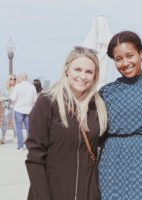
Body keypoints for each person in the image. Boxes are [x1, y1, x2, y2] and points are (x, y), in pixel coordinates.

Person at [25, 46, 107, 200]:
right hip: (51, 192)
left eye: (89, 72)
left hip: (88, 193)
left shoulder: (98, 107)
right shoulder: (47, 102)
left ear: (95, 76)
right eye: (77, 69)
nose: (82, 76)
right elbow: (35, 157)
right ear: (67, 70)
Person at [98, 31, 142, 199]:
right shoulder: (106, 92)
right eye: (118, 59)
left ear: (141, 54)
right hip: (112, 165)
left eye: (129, 55)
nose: (125, 63)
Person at [10, 73, 37, 151]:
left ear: (21, 78)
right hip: (29, 110)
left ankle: (20, 146)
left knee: (19, 128)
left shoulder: (17, 86)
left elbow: (13, 98)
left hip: (18, 109)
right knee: (29, 129)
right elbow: (35, 100)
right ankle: (30, 146)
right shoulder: (32, 87)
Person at [0, 74, 17, 144]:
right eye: (11, 78)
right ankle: (3, 137)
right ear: (8, 80)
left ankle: (15, 137)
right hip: (7, 107)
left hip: (15, 107)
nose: (12, 80)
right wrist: (8, 98)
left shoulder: (17, 88)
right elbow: (0, 96)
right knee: (5, 122)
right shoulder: (5, 88)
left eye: (14, 79)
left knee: (15, 123)